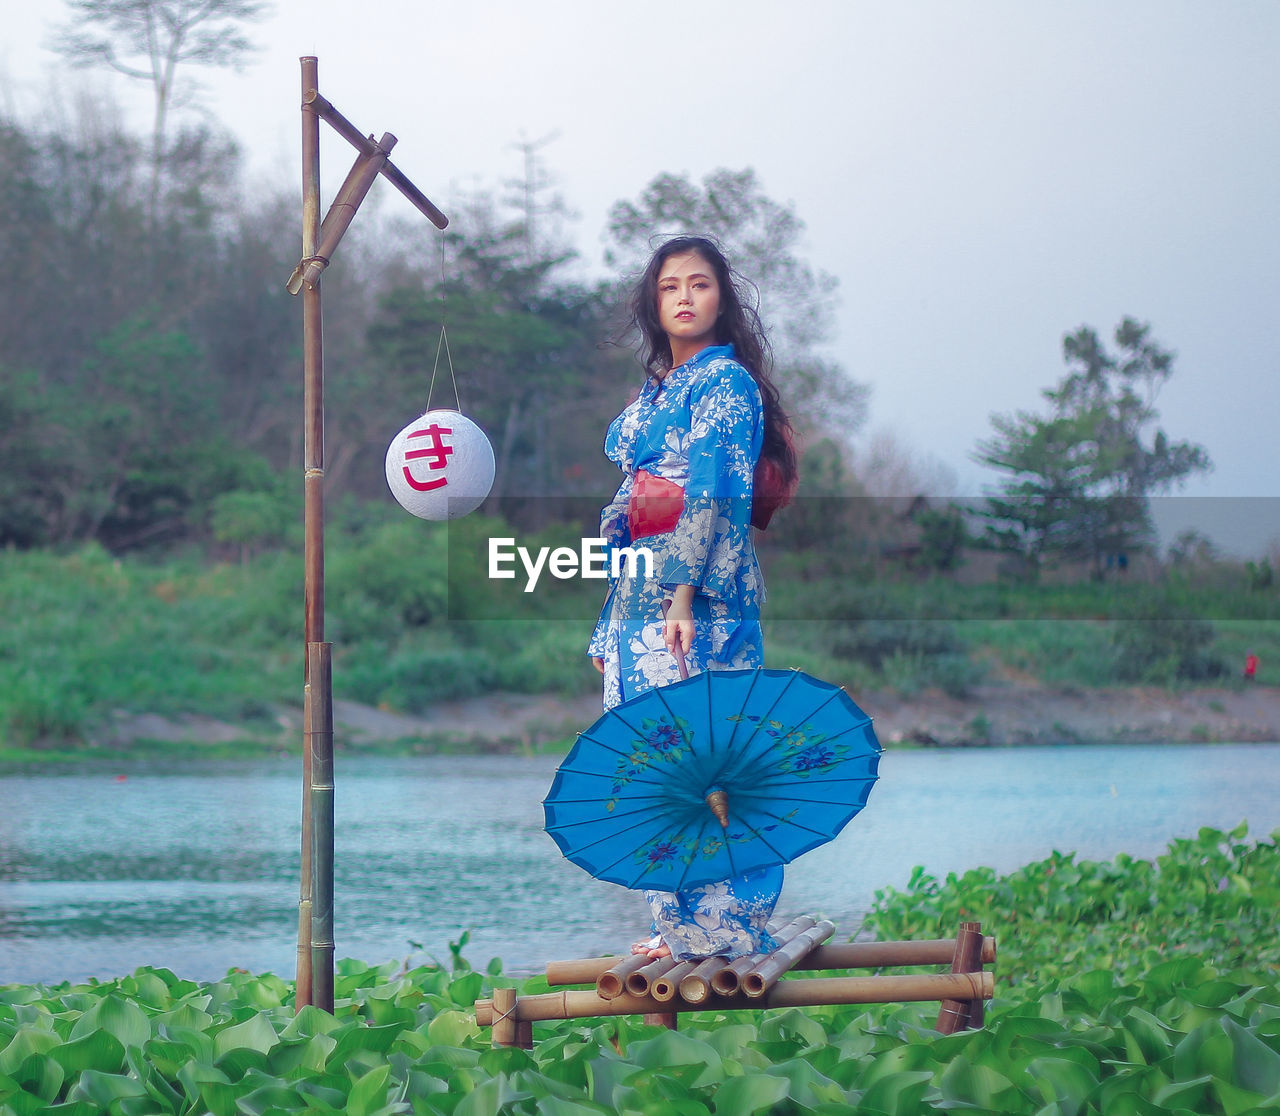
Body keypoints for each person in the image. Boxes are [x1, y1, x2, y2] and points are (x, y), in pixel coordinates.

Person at [587, 235, 798, 961]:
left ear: (721, 300)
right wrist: (608, 631)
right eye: (670, 285)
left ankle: (729, 920)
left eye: (700, 283)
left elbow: (714, 495)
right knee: (654, 758)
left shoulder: (725, 386)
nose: (683, 296)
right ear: (654, 302)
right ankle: (677, 923)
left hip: (699, 596)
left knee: (714, 751)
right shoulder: (656, 394)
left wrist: (682, 597)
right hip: (639, 597)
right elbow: (631, 508)